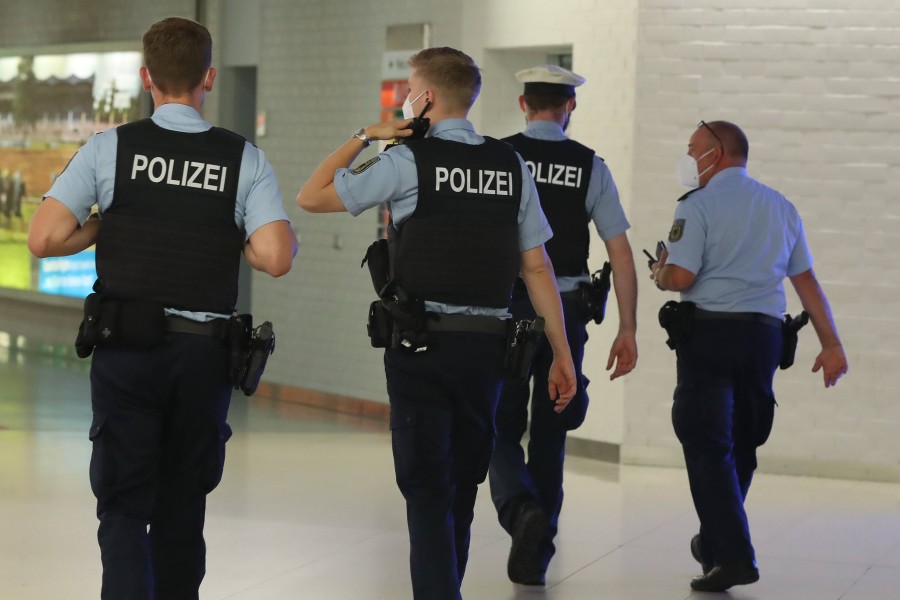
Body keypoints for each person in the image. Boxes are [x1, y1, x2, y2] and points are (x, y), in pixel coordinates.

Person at [27, 17, 297, 600]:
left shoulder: (110, 148)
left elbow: (44, 237)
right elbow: (275, 257)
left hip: (127, 351)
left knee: (124, 508)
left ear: (146, 77)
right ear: (209, 77)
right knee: (182, 507)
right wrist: (234, 236)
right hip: (202, 359)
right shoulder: (241, 158)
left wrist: (106, 224)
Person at [296, 47, 577, 600]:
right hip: (488, 351)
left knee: (427, 488)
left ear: (422, 97)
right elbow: (537, 266)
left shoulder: (406, 161)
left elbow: (312, 195)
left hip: (421, 346)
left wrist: (366, 134)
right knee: (465, 485)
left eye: (409, 88)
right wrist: (561, 353)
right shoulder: (509, 164)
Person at [650, 120, 848, 593]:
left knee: (705, 441)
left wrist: (659, 271)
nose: (687, 157)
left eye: (692, 149)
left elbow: (681, 278)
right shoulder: (782, 207)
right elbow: (806, 284)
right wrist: (832, 343)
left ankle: (734, 555)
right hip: (764, 339)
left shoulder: (696, 207)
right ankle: (719, 542)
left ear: (715, 155)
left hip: (710, 336)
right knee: (742, 443)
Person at [487, 64, 638, 586]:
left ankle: (519, 508)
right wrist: (628, 328)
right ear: (569, 107)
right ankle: (539, 546)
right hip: (566, 312)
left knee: (498, 427)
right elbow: (620, 252)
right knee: (551, 433)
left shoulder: (500, 157)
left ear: (523, 104)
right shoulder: (590, 166)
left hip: (506, 309)